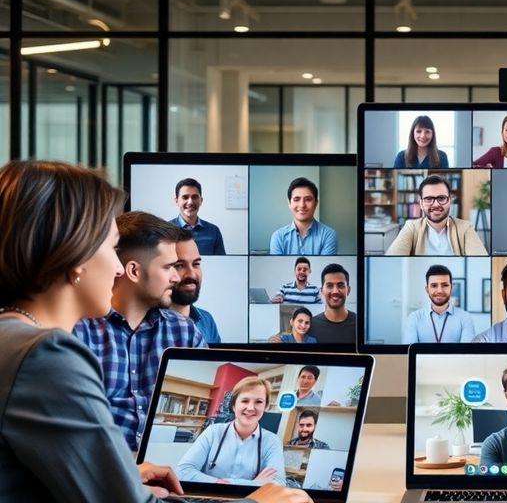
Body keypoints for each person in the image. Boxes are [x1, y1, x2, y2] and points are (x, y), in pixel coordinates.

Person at [0, 161, 310, 502]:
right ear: (74, 253)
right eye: (110, 246)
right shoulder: (47, 356)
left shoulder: (12, 338)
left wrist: (121, 475)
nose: (118, 267)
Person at [74, 211, 208, 451]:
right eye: (169, 267)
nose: (177, 277)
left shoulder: (184, 332)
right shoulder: (80, 332)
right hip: (103, 471)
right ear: (134, 271)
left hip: (169, 470)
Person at [178, 377, 286, 486]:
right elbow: (183, 471)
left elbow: (279, 483)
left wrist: (218, 483)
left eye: (258, 402)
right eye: (245, 401)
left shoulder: (272, 441)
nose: (250, 408)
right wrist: (254, 483)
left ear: (265, 406)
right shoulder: (213, 432)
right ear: (234, 405)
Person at [385, 174, 487, 255]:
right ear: (421, 204)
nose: (436, 204)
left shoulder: (465, 228)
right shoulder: (411, 227)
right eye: (429, 199)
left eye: (441, 198)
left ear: (450, 201)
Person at [169, 229, 221, 344]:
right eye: (179, 265)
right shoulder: (146, 324)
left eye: (196, 264)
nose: (191, 274)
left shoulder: (206, 320)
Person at [402, 264, 477, 343]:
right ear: (427, 290)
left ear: (451, 288)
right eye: (434, 285)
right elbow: (409, 352)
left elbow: (467, 353)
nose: (440, 291)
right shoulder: (414, 318)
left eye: (445, 285)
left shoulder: (465, 318)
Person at [269, 177, 338, 255]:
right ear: (289, 203)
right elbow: (278, 267)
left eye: (308, 199)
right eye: (296, 199)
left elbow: (325, 266)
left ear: (316, 203)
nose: (302, 205)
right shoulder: (278, 237)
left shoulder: (328, 235)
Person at [169, 177, 227, 255]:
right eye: (185, 197)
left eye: (194, 197)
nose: (190, 202)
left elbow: (221, 262)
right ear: (177, 201)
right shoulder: (166, 230)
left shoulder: (214, 231)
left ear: (201, 201)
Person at [308, 263, 358, 344]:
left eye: (341, 285)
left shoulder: (361, 325)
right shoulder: (309, 326)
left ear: (348, 290)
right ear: (321, 291)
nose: (335, 291)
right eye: (330, 286)